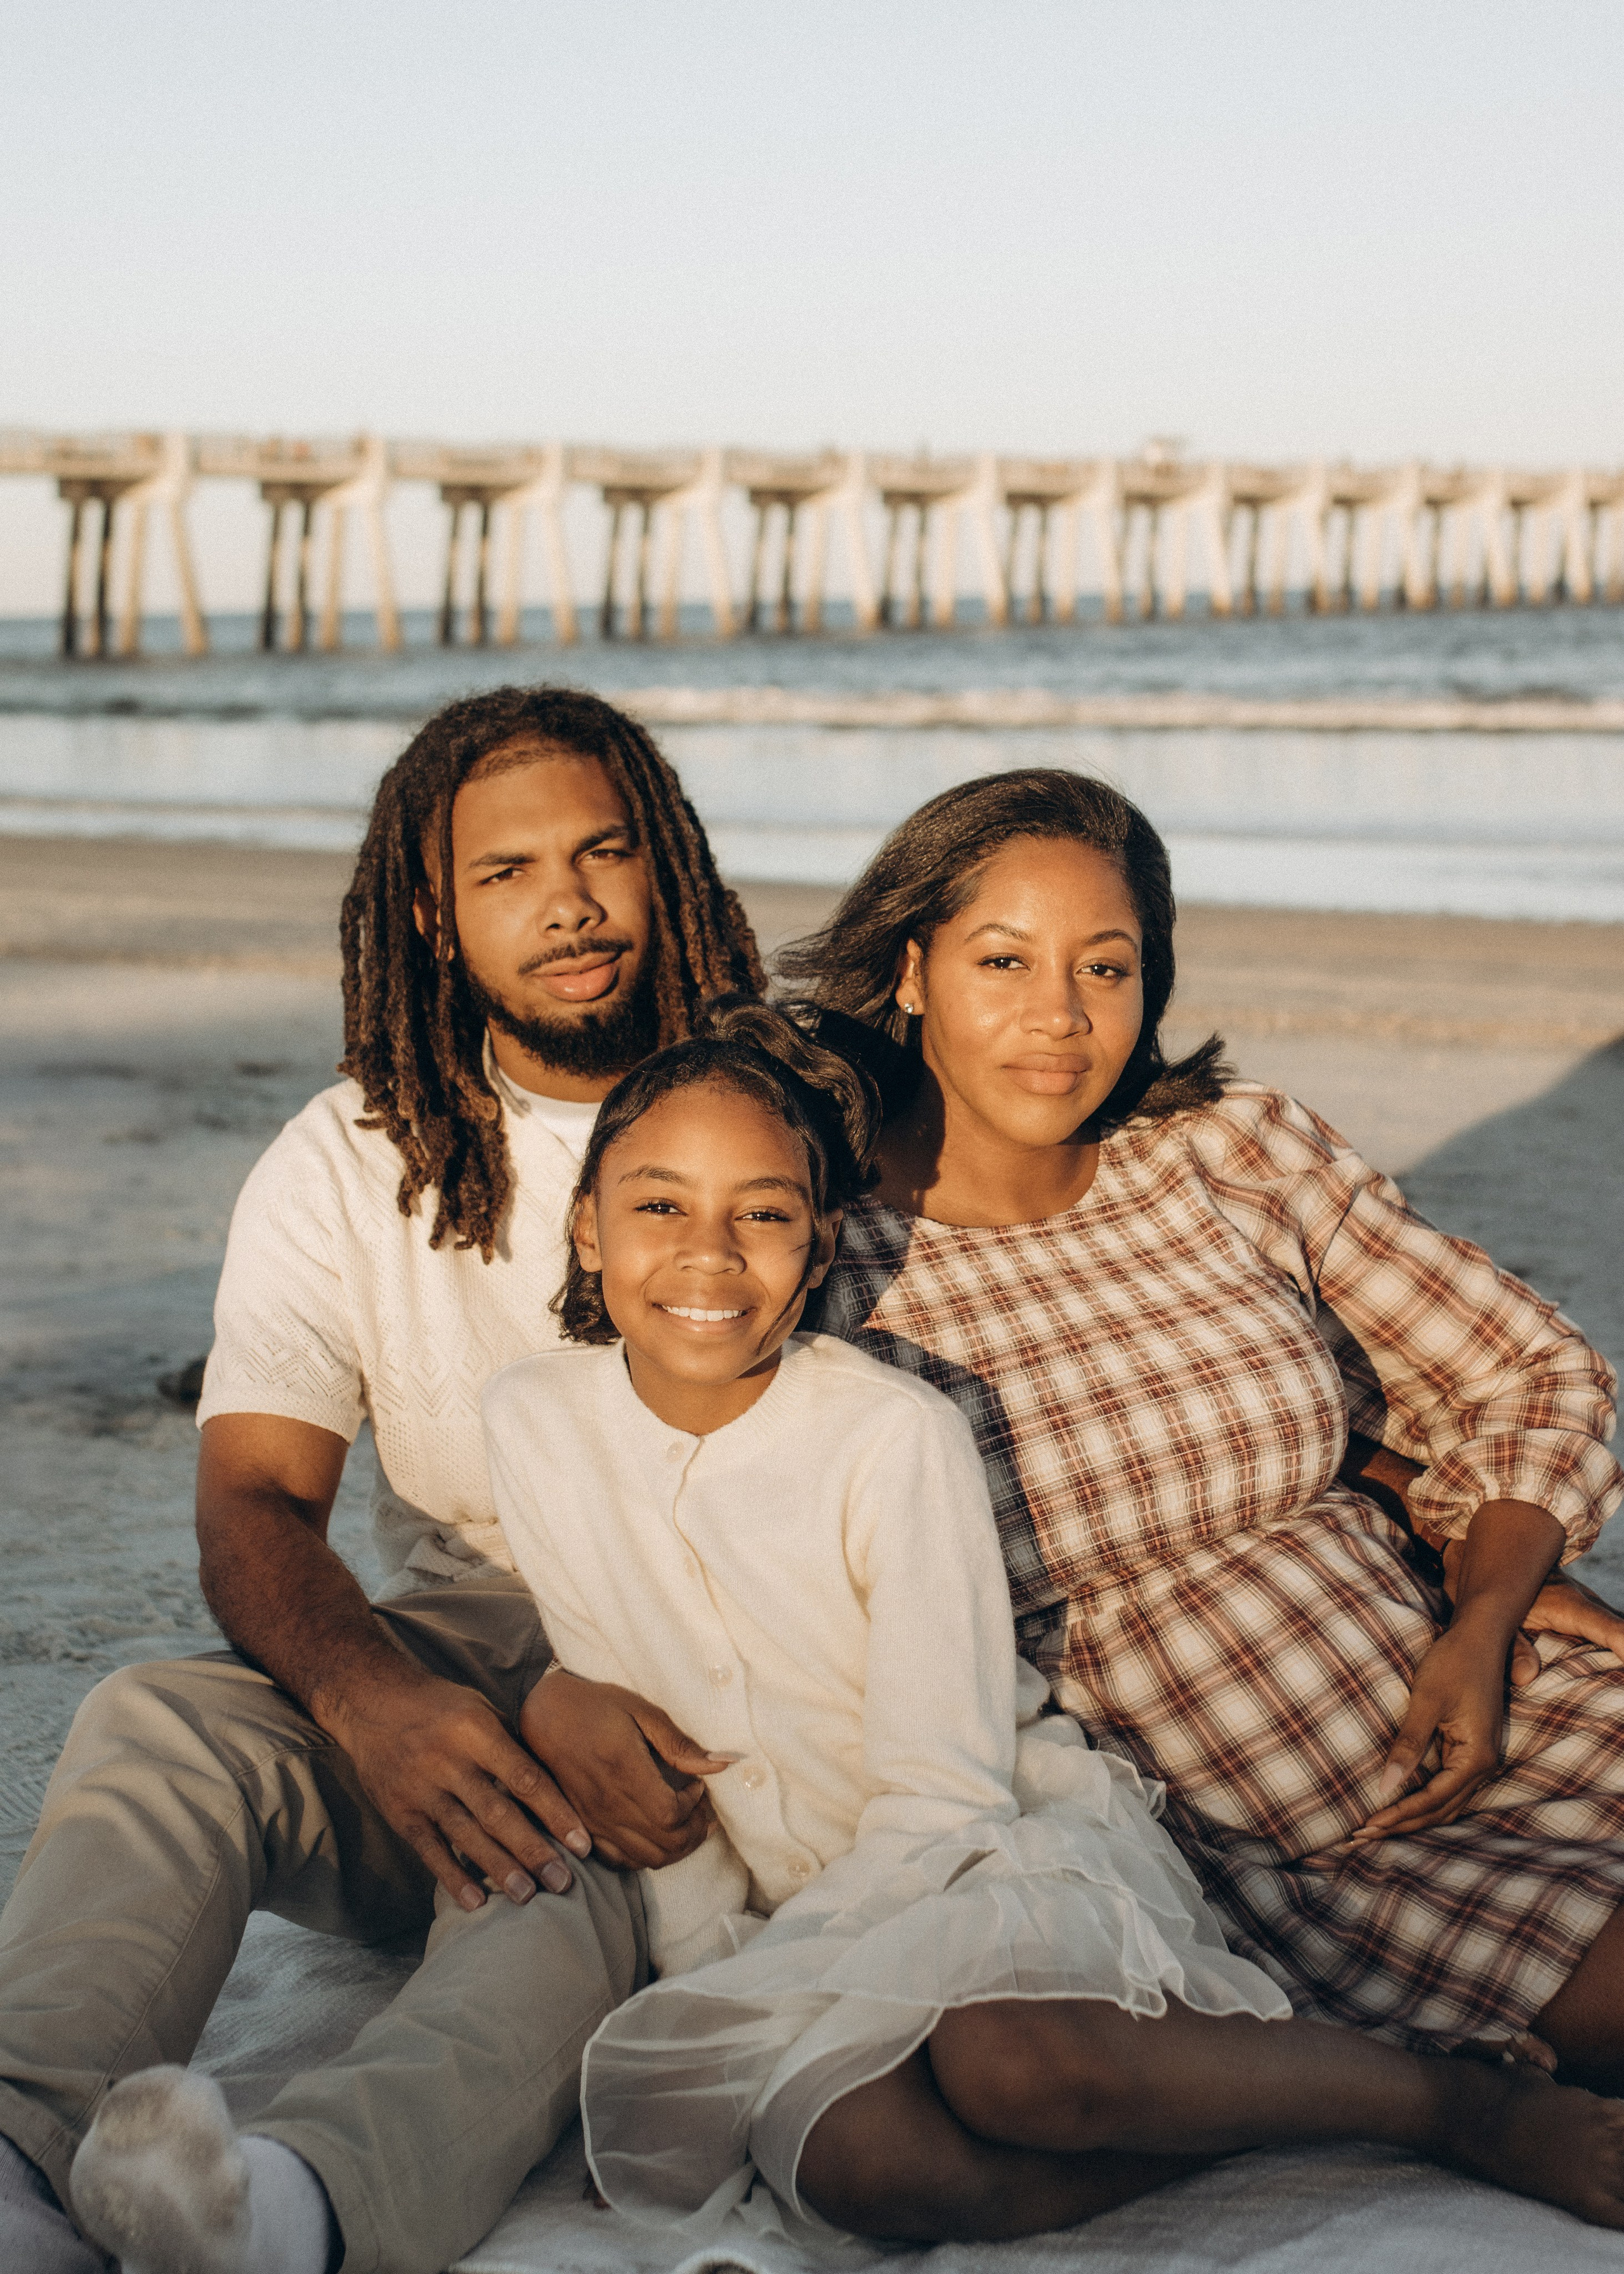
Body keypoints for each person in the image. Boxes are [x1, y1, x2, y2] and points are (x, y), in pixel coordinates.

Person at [391, 1007, 1624, 2242]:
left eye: (762, 1213)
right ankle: (1269, 2113)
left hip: (993, 1850)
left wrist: (743, 1999)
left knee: (1012, 2066)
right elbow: (645, 1767)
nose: (708, 1255)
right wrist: (708, 1993)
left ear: (820, 1249)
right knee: (864, 2169)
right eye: (658, 1206)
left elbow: (947, 1794)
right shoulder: (533, 1419)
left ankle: (1440, 2104)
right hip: (798, 1914)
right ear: (585, 1225)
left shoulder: (889, 1433)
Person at [0, 687, 766, 2274]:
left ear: (664, 864)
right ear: (432, 908)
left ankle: (296, 2210)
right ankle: (17, 2151)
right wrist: (372, 1698)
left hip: (709, 1681)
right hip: (449, 1653)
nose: (566, 904)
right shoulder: (349, 1159)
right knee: (157, 1716)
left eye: (601, 853)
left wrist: (580, 1687)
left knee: (561, 1877)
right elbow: (255, 1506)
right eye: (505, 873)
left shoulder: (777, 1118)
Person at [771, 765, 1624, 2085]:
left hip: (1480, 1694)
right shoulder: (819, 1261)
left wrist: (1489, 1599)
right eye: (1003, 960)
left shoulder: (1226, 1154)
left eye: (1104, 969)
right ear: (907, 968)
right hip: (1268, 1839)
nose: (1058, 1018)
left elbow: (1529, 1371)